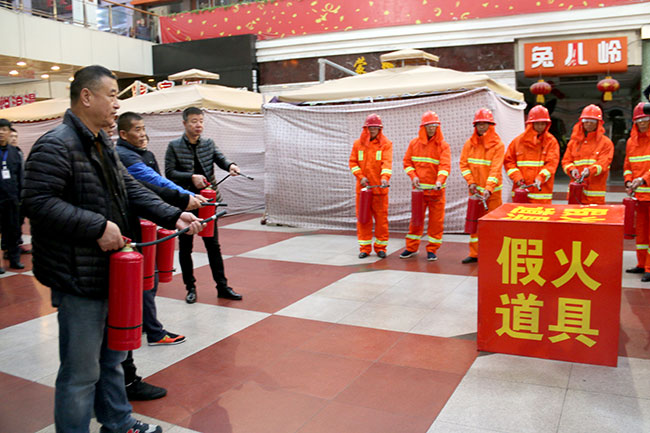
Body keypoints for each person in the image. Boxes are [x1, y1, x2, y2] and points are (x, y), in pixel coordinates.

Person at [21, 65, 204, 433]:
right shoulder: (56, 144)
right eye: (112, 95)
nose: (117, 104)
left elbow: (129, 188)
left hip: (109, 270)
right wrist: (97, 226)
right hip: (77, 275)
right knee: (80, 371)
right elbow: (37, 202)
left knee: (112, 357)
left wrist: (173, 215)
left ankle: (118, 422)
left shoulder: (102, 143)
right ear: (87, 97)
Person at [165, 106, 242, 303]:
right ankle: (190, 287)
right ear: (184, 123)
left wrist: (231, 165)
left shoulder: (208, 143)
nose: (198, 125)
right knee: (186, 247)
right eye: (194, 121)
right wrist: (191, 177)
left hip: (208, 201)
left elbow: (220, 158)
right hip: (185, 202)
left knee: (213, 245)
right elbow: (170, 173)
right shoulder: (174, 146)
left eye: (200, 121)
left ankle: (222, 286)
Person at [400, 111, 451, 261]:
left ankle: (432, 249)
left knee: (436, 223)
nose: (432, 128)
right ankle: (411, 248)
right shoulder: (414, 144)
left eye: (434, 125)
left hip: (436, 191)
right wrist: (413, 176)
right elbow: (407, 163)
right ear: (423, 127)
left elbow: (445, 166)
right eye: (429, 125)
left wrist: (439, 181)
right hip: (419, 191)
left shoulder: (443, 146)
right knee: (416, 221)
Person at [459, 108, 505, 264]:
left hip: (493, 194)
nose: (482, 126)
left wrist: (489, 188)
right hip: (475, 193)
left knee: (492, 225)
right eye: (479, 124)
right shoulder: (469, 144)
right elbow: (463, 164)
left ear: (491, 125)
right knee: (475, 223)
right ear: (475, 126)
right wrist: (471, 182)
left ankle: (493, 254)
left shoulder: (498, 145)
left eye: (485, 123)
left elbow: (495, 169)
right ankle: (475, 253)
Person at [348, 113, 393, 259]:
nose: (373, 130)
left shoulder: (386, 144)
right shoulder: (358, 144)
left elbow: (387, 163)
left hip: (380, 190)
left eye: (375, 127)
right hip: (363, 191)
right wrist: (360, 177)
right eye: (370, 127)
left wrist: (384, 178)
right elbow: (353, 163)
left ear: (380, 129)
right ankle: (365, 248)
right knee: (363, 219)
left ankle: (381, 248)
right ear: (365, 128)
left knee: (381, 221)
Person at [504, 104, 560, 204]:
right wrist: (517, 177)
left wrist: (541, 177)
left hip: (541, 193)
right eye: (537, 123)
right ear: (531, 123)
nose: (540, 127)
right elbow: (509, 161)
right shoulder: (518, 141)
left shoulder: (551, 142)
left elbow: (551, 164)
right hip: (521, 192)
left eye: (543, 124)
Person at [561, 104, 614, 204]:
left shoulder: (606, 143)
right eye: (586, 121)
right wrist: (571, 170)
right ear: (582, 122)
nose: (589, 124)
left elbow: (604, 163)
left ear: (598, 123)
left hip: (595, 194)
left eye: (592, 121)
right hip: (576, 192)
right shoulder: (574, 142)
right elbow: (566, 161)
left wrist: (590, 171)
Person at [624, 102, 650, 281]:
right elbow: (627, 165)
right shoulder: (631, 142)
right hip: (639, 197)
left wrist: (643, 179)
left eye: (645, 119)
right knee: (641, 233)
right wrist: (628, 181)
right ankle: (641, 264)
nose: (642, 123)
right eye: (639, 120)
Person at [0, 119, 24, 272]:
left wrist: (21, 197)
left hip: (12, 199)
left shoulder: (14, 152)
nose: (1, 132)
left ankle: (14, 259)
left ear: (9, 132)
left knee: (13, 230)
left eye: (4, 129)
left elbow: (20, 176)